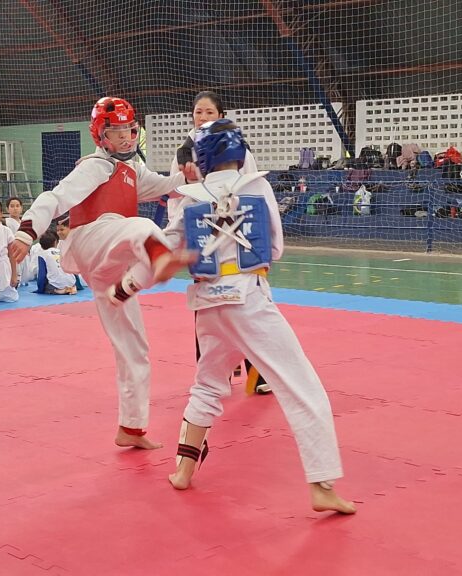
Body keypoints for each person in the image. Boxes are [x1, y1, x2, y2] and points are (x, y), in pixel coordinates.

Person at [162, 119, 355, 514]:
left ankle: (183, 470)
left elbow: (167, 247)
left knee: (208, 384)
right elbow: (276, 248)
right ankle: (322, 484)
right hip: (249, 300)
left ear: (203, 157)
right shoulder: (257, 186)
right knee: (303, 386)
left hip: (209, 304)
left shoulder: (189, 195)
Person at [9, 96, 197, 449]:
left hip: (111, 261)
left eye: (129, 129)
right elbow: (56, 197)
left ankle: (132, 426)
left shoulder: (133, 171)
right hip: (91, 239)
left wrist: (187, 177)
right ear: (101, 136)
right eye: (116, 132)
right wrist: (26, 230)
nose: (125, 138)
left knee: (135, 347)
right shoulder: (95, 165)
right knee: (137, 225)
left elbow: (163, 185)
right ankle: (159, 258)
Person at [172, 90, 267, 395]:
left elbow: (254, 192)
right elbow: (177, 197)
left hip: (242, 235)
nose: (202, 117)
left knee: (251, 306)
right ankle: (214, 377)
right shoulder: (184, 153)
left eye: (209, 112)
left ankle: (259, 373)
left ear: (221, 115)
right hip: (204, 236)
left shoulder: (242, 150)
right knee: (207, 307)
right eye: (198, 112)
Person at [36, 231, 76, 295]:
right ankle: (72, 288)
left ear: (41, 245)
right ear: (55, 242)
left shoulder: (42, 255)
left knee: (47, 286)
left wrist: (39, 290)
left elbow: (42, 275)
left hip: (56, 285)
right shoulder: (63, 252)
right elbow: (73, 270)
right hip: (71, 282)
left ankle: (58, 291)